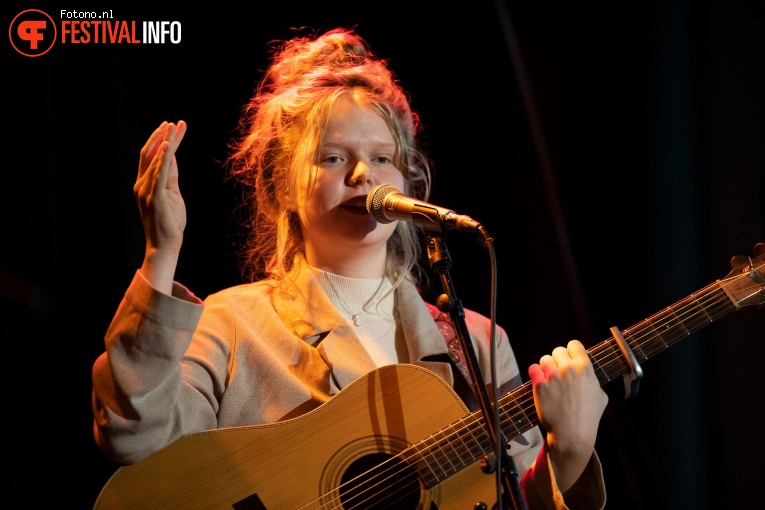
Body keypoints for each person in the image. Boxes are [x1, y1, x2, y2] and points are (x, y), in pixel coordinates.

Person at [91, 27, 609, 509]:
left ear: (408, 183)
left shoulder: (476, 341)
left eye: (383, 159)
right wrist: (162, 254)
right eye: (334, 158)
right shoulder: (232, 321)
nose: (365, 174)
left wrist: (567, 455)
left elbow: (509, 500)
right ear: (282, 186)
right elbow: (136, 436)